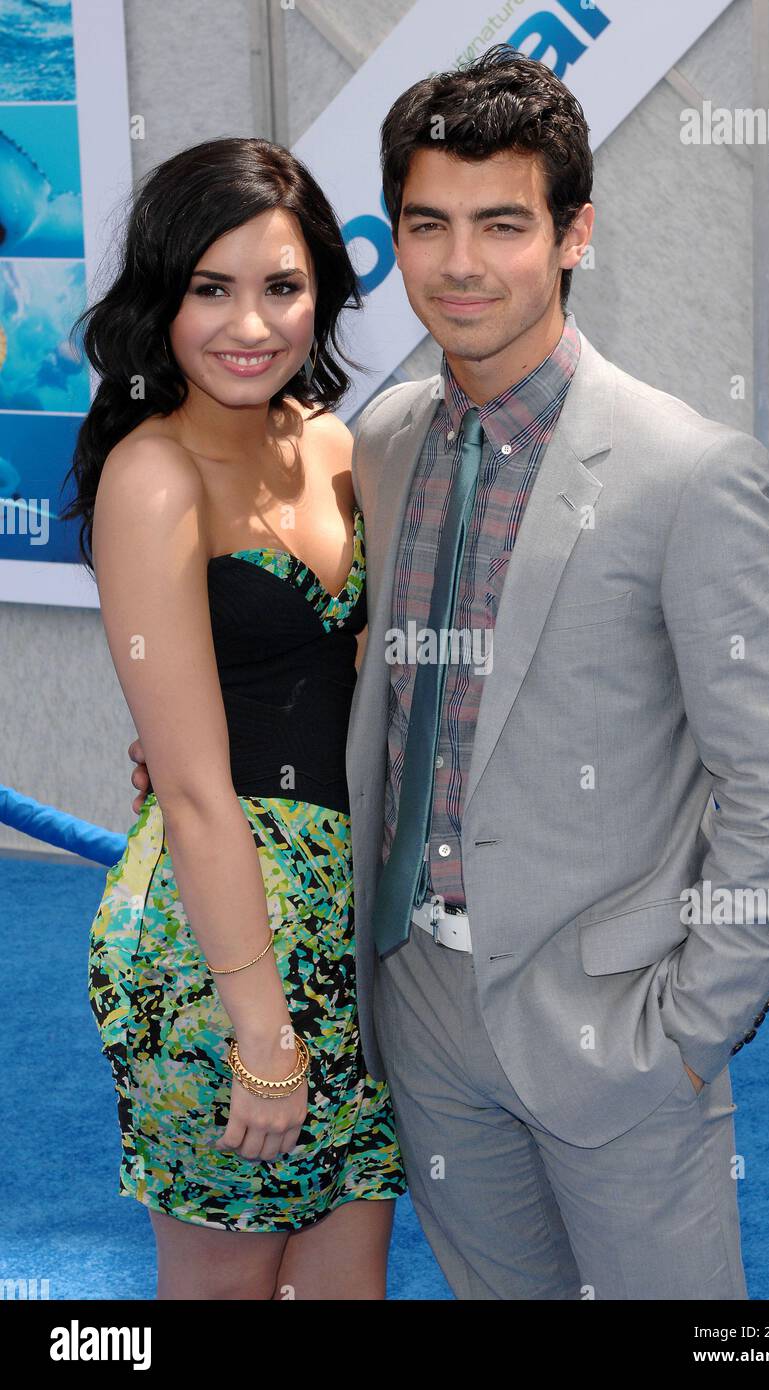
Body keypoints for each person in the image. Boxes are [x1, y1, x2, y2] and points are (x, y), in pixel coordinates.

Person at [131, 47, 769, 1300]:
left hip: (614, 1029)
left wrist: (686, 1034)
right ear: (393, 237)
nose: (459, 264)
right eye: (427, 224)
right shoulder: (382, 441)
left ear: (573, 234)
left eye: (501, 223)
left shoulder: (689, 473)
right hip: (417, 1013)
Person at [66, 137, 406, 1301]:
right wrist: (260, 1027)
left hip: (347, 926)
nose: (247, 324)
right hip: (220, 945)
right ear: (161, 298)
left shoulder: (336, 446)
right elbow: (199, 787)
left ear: (322, 289)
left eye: (280, 286)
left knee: (344, 1286)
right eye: (209, 288)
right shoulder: (151, 477)